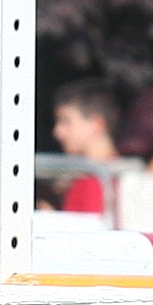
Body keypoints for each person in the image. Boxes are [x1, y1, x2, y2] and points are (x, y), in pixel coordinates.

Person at [48, 77, 125, 218]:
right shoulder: (87, 176)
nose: (57, 132)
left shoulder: (94, 181)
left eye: (66, 121)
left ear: (96, 125)